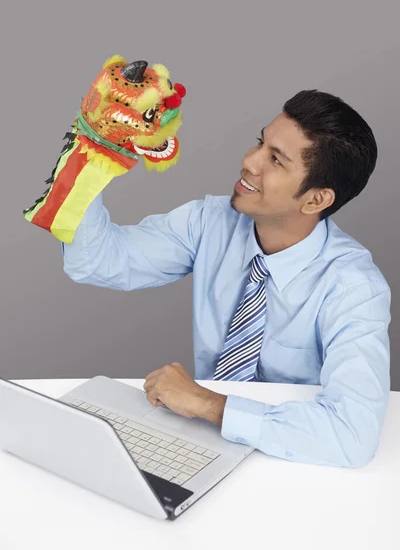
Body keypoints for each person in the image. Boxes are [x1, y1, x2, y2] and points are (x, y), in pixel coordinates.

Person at [62, 89, 391, 468]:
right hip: (202, 442)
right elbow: (96, 261)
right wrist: (93, 154)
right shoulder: (209, 222)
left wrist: (207, 403)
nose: (249, 161)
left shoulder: (353, 288)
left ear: (315, 200)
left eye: (275, 160)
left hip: (300, 460)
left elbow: (351, 435)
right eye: (259, 142)